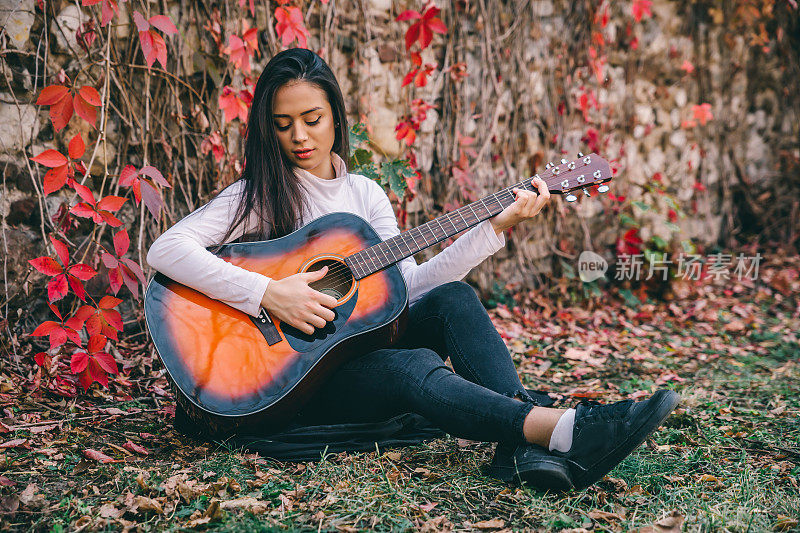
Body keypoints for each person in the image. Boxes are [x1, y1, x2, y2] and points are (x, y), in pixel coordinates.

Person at [146, 48, 680, 491]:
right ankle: (561, 429)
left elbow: (409, 288)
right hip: (297, 379)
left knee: (453, 301)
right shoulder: (261, 194)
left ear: (336, 115)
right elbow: (167, 251)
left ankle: (519, 447)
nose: (300, 138)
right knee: (413, 364)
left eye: (313, 120)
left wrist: (495, 228)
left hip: (356, 351)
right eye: (283, 125)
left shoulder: (365, 195)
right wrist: (268, 293)